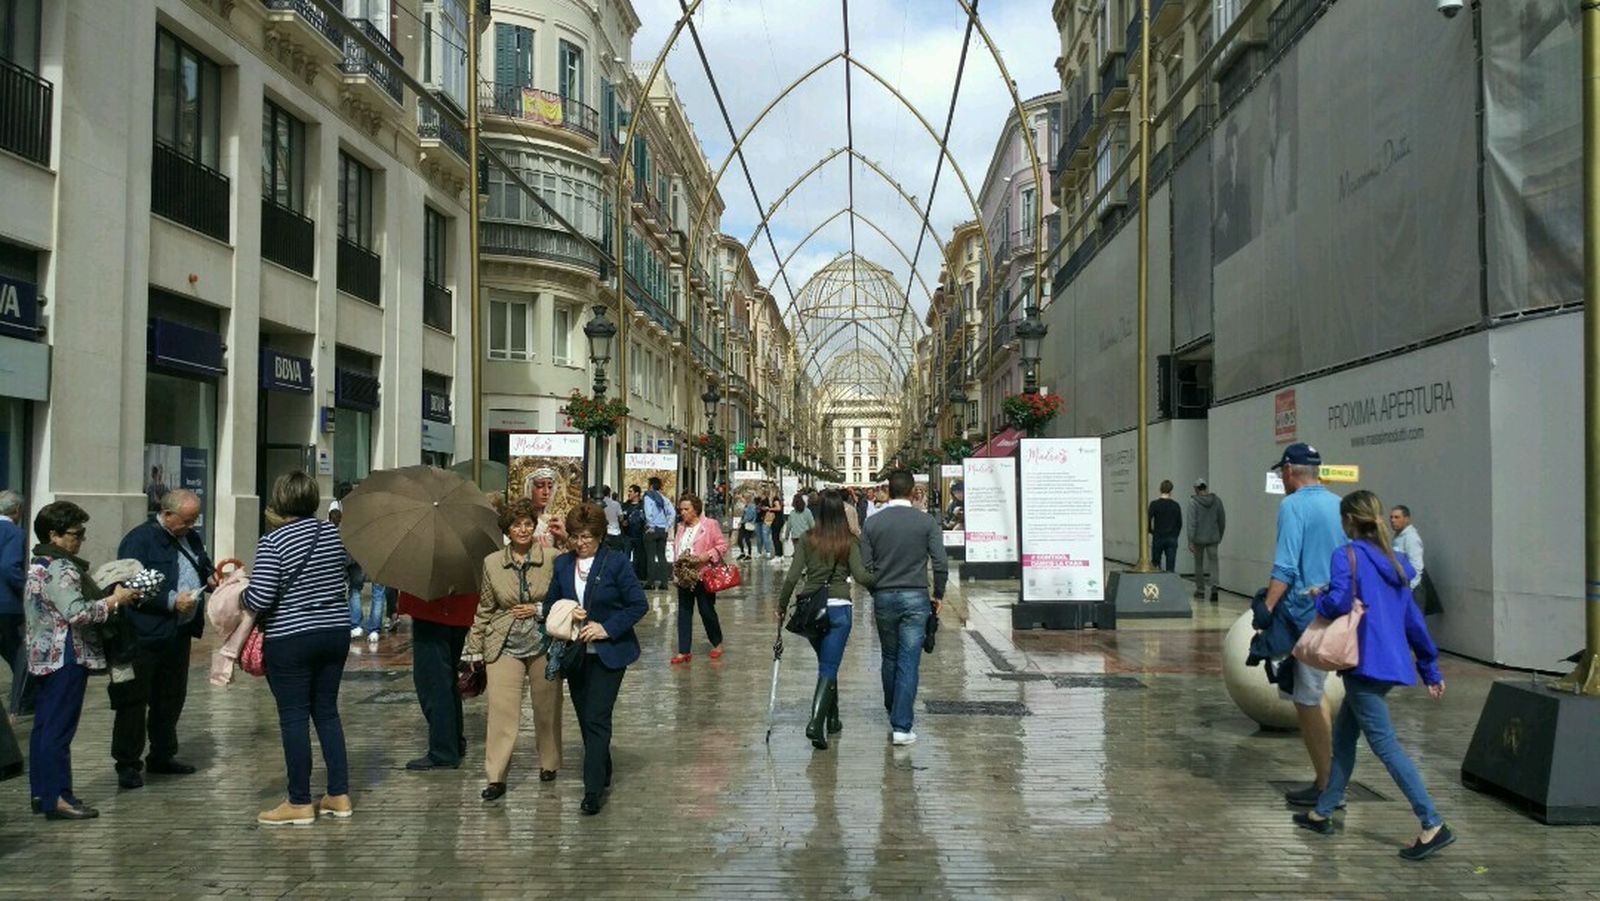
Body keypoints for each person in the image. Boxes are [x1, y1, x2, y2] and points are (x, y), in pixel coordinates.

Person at [1293, 490, 1453, 862]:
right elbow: (1413, 620)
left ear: (1348, 520)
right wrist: (1429, 668)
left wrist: (1319, 596)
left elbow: (1335, 604)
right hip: (1389, 665)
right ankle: (1324, 811)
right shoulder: (1395, 562)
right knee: (1345, 736)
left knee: (1386, 746)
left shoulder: (1346, 556)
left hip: (1362, 664)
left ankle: (1432, 823)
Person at [242, 472, 353, 825]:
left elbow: (260, 597)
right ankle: (338, 794)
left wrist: (238, 592)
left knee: (293, 717)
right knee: (327, 712)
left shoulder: (273, 542)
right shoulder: (336, 536)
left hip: (291, 637)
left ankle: (299, 800)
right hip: (335, 631)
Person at [24, 501, 138, 819]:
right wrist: (115, 601)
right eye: (76, 534)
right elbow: (78, 613)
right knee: (57, 729)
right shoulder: (61, 567)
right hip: (65, 656)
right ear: (54, 535)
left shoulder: (38, 563)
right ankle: (58, 796)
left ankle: (43, 792)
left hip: (42, 655)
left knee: (44, 727)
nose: (80, 540)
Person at [544, 503, 647, 815]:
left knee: (597, 717)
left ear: (600, 535)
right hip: (576, 654)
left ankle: (592, 790)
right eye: (576, 536)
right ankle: (602, 767)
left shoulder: (615, 564)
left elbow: (637, 604)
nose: (581, 542)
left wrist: (607, 628)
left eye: (587, 536)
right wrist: (566, 609)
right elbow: (550, 603)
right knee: (585, 717)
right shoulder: (563, 564)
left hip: (609, 654)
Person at [110, 488, 215, 790]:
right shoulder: (140, 539)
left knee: (170, 697)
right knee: (133, 700)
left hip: (178, 633)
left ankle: (162, 753)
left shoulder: (190, 538)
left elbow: (202, 562)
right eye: (186, 520)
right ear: (167, 514)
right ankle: (128, 763)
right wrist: (170, 601)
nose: (191, 526)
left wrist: (209, 577)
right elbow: (130, 583)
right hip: (144, 634)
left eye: (195, 520)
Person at [1263, 443, 1347, 807]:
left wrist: (1265, 610)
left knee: (1306, 699)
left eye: (1281, 472)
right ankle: (1327, 778)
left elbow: (1285, 566)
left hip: (1307, 613)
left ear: (1289, 472)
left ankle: (1329, 785)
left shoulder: (1292, 506)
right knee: (1314, 692)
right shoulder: (1339, 504)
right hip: (1341, 610)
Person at [463, 499, 562, 802]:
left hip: (543, 640)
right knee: (502, 713)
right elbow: (485, 608)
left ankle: (549, 763)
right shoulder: (492, 562)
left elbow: (566, 597)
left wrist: (539, 608)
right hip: (503, 643)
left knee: (547, 708)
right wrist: (473, 647)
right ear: (506, 529)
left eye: (528, 524)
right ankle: (496, 776)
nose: (523, 529)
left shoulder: (552, 558)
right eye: (516, 525)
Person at [777, 490, 876, 750]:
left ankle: (833, 719)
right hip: (839, 609)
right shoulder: (850, 541)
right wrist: (884, 579)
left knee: (826, 664)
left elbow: (791, 577)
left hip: (811, 608)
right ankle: (815, 723)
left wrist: (781, 606)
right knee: (829, 667)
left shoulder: (808, 539)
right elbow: (862, 577)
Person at [860, 470, 948, 746]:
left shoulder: (873, 523)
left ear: (888, 490)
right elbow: (940, 562)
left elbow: (865, 566)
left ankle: (892, 708)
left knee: (889, 656)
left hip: (884, 596)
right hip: (916, 597)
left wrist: (877, 589)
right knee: (909, 660)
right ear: (912, 492)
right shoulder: (926, 522)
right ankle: (901, 725)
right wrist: (939, 594)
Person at [399, 585, 478, 771]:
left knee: (434, 684)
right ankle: (453, 742)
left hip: (434, 610)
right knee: (447, 682)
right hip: (459, 611)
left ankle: (443, 751)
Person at [669, 494, 730, 665]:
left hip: (704, 575)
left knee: (706, 611)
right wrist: (675, 571)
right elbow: (676, 549)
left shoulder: (710, 525)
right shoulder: (680, 527)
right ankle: (683, 651)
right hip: (685, 577)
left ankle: (717, 642)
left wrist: (706, 556)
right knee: (684, 613)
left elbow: (722, 546)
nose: (683, 513)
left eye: (686, 509)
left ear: (695, 510)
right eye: (681, 509)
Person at [331, 502, 386, 644]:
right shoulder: (383, 517)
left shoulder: (351, 514)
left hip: (357, 556)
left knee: (355, 590)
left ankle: (356, 625)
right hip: (379, 555)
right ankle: (374, 630)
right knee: (378, 593)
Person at [0, 490, 35, 717]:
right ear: (18, 511)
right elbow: (9, 567)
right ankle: (22, 701)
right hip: (7, 604)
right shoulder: (15, 533)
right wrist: (28, 588)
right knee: (20, 652)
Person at [1189, 479, 1227, 601]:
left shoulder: (1193, 502)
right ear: (1206, 487)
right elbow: (1222, 519)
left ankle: (1200, 590)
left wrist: (1190, 540)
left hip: (1198, 538)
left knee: (1199, 564)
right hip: (1213, 537)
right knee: (1213, 563)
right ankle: (1214, 587)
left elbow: (1191, 523)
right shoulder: (1217, 500)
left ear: (1196, 488)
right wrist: (1219, 535)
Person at [642, 477, 676, 589]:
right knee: (662, 556)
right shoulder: (664, 498)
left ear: (651, 485)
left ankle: (650, 582)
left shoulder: (648, 497)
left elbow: (648, 512)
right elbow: (672, 513)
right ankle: (664, 582)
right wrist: (667, 525)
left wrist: (650, 525)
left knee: (650, 557)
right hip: (662, 530)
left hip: (652, 530)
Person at [1147, 480, 1182, 573]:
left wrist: (1150, 530)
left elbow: (1148, 519)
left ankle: (1157, 584)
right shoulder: (1175, 505)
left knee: (1156, 564)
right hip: (1171, 537)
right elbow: (1179, 523)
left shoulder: (1154, 504)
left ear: (1160, 489)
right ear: (1171, 490)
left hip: (1158, 536)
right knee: (1170, 565)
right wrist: (1175, 535)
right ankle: (1169, 585)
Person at [1389, 505, 1425, 592]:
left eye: (1397, 517)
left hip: (1412, 590)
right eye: (1391, 517)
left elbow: (1416, 567)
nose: (1393, 520)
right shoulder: (1397, 537)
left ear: (1406, 519)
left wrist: (1409, 588)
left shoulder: (1411, 538)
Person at [621, 485, 647, 584]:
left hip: (639, 535)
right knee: (625, 556)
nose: (629, 493)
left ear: (637, 493)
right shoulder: (625, 505)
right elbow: (622, 517)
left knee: (638, 558)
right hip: (628, 535)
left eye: (631, 491)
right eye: (628, 491)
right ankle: (625, 575)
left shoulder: (643, 506)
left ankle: (635, 576)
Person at [599, 486, 626, 552]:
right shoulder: (616, 504)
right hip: (615, 532)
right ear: (609, 493)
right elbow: (621, 518)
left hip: (604, 533)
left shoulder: (599, 504)